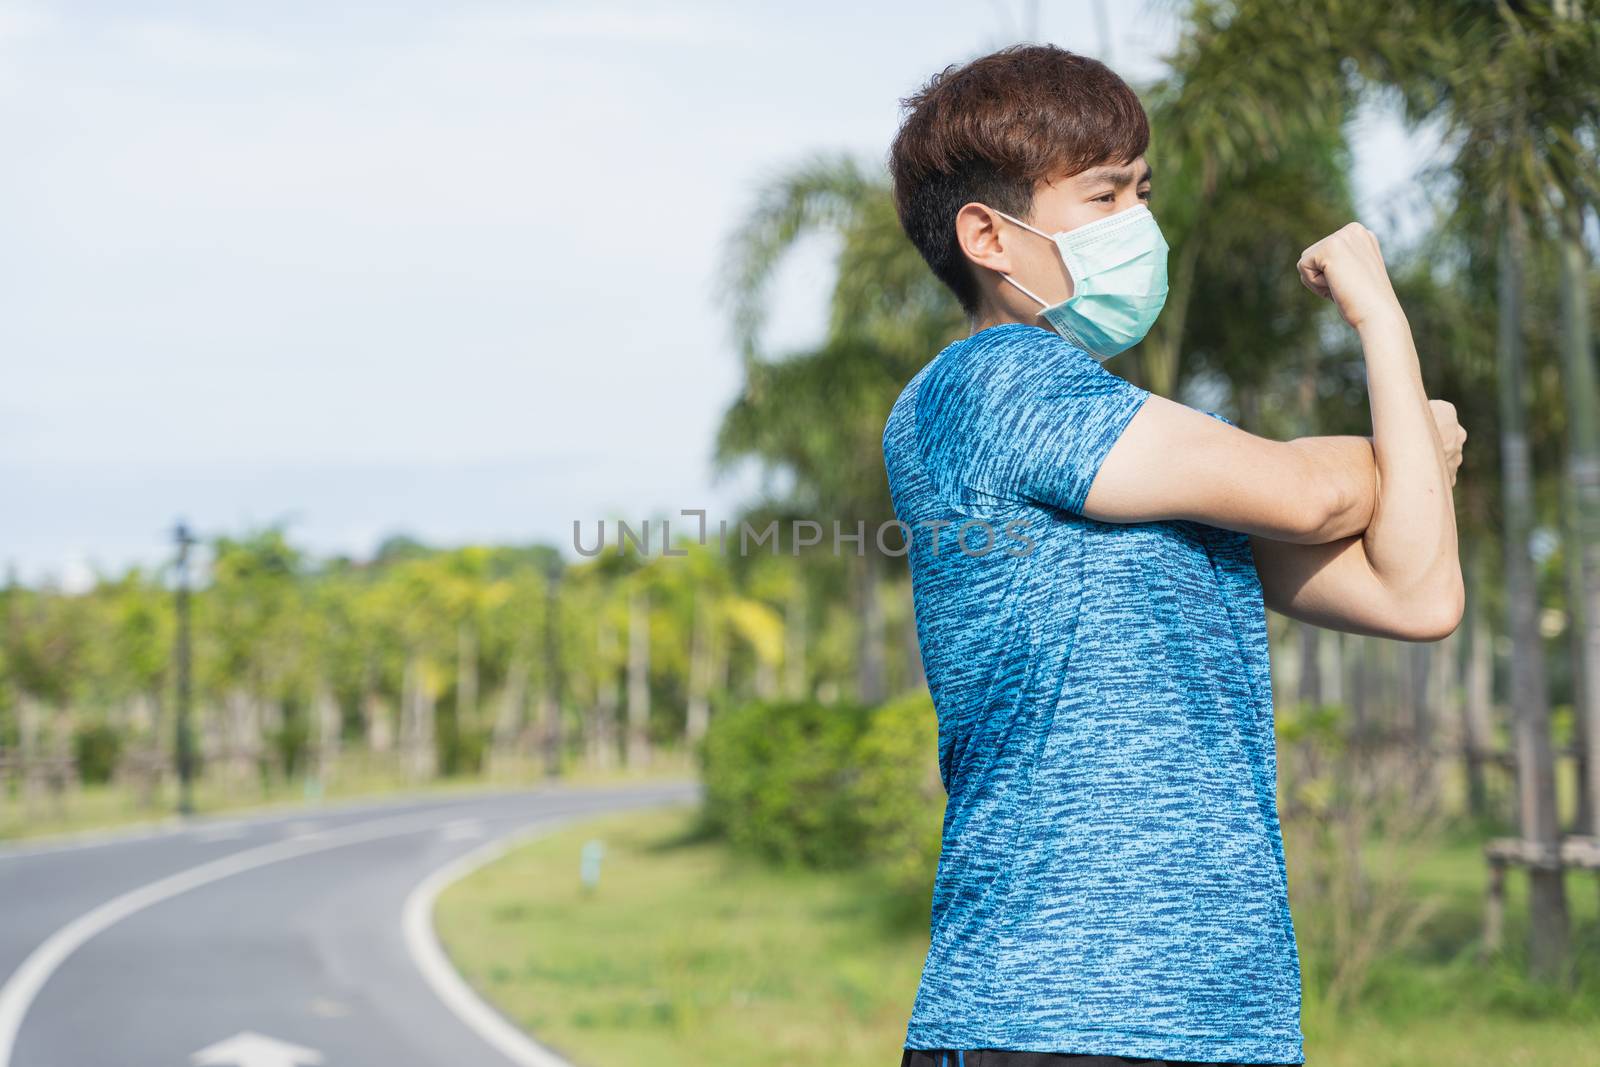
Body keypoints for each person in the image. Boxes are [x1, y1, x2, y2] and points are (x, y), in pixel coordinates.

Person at [881, 43, 1465, 1067]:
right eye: (1103, 195)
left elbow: (1413, 592)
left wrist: (1384, 375)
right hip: (1051, 1014)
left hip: (1221, 1019)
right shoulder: (990, 385)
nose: (1136, 224)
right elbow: (1313, 489)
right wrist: (1395, 392)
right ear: (987, 234)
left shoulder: (1149, 470)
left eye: (1140, 192)